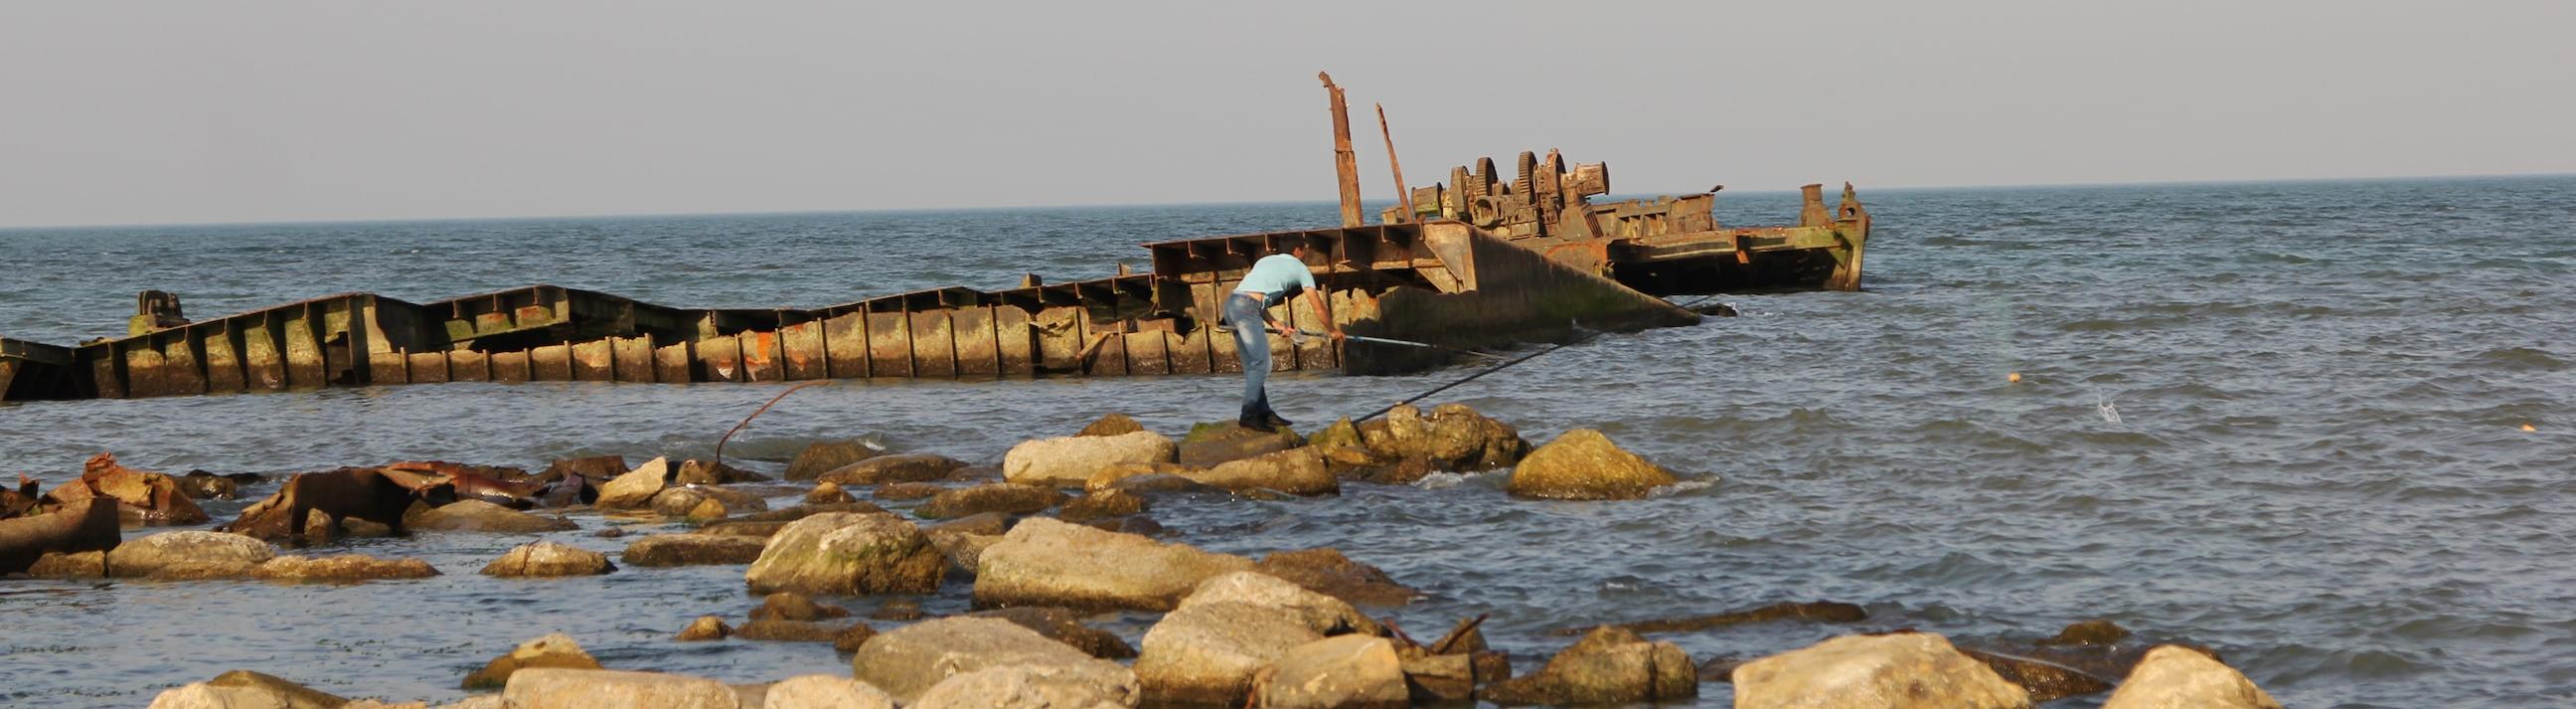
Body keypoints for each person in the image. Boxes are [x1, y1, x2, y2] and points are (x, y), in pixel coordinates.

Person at [1225, 241, 1344, 432]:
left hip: (1232, 305)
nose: (1306, 253)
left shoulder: (1265, 261)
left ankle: (1263, 412)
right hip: (1246, 308)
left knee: (1252, 364)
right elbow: (1318, 306)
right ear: (1297, 250)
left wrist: (1275, 324)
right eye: (1305, 249)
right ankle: (1248, 415)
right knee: (1262, 364)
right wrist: (1331, 330)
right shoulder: (1300, 268)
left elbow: (1255, 296)